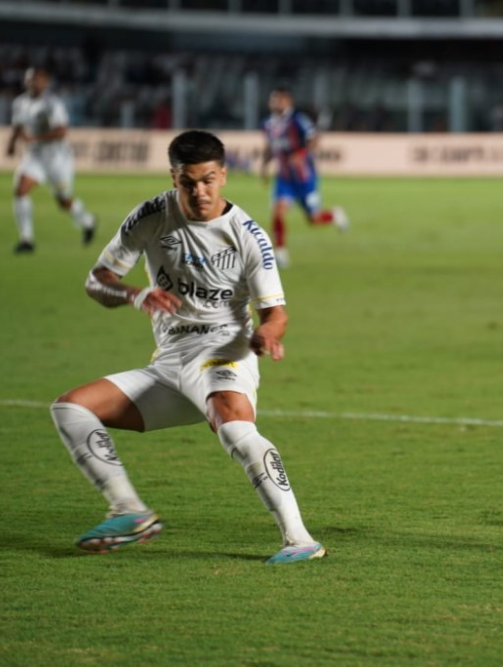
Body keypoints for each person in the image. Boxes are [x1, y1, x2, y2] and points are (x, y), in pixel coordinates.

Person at [49, 130, 326, 564]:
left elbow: (276, 313)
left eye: (209, 180)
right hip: (169, 363)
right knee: (70, 408)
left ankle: (300, 540)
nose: (200, 192)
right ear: (173, 177)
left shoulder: (247, 235)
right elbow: (97, 281)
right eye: (188, 182)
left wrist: (269, 334)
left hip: (224, 352)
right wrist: (135, 294)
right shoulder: (151, 216)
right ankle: (130, 511)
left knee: (233, 426)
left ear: (224, 175)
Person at [7, 67, 97, 254]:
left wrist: (34, 138)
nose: (33, 83)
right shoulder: (20, 103)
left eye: (37, 79)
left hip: (58, 159)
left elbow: (62, 131)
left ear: (45, 82)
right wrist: (11, 144)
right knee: (21, 188)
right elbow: (18, 125)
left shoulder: (53, 104)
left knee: (64, 201)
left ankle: (88, 221)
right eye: (30, 79)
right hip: (35, 157)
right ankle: (26, 239)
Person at [260, 87, 348, 268]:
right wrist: (264, 166)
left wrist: (300, 154)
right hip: (284, 178)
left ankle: (334, 215)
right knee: (278, 211)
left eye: (279, 99)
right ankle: (281, 251)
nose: (275, 103)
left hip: (305, 178)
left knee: (313, 219)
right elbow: (270, 147)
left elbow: (314, 139)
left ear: (288, 101)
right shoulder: (268, 124)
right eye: (273, 100)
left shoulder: (297, 120)